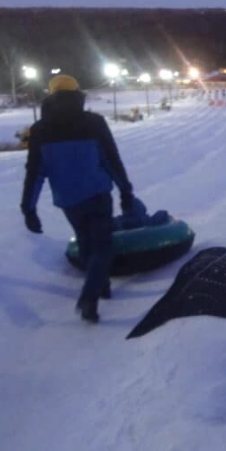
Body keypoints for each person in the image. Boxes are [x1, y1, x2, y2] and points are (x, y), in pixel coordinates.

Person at [20, 74, 138, 324]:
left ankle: (101, 284)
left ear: (51, 96)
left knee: (86, 244)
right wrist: (125, 190)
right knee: (102, 247)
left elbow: (35, 173)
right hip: (97, 194)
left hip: (68, 200)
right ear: (77, 94)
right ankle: (90, 296)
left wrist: (28, 209)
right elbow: (111, 160)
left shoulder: (39, 130)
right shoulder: (94, 123)